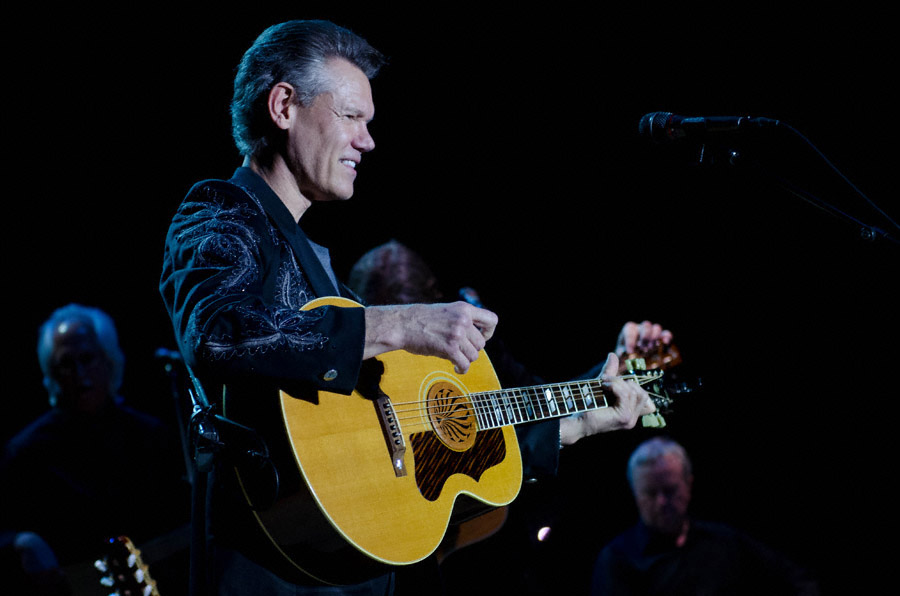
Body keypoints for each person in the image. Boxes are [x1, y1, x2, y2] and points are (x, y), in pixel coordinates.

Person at [159, 20, 657, 595]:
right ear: (284, 106)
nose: (368, 141)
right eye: (352, 117)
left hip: (345, 566)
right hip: (268, 571)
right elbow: (219, 333)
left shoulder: (317, 267)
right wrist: (406, 322)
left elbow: (422, 438)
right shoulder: (222, 212)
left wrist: (577, 421)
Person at [0, 304, 189, 595]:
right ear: (52, 373)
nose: (79, 372)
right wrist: (20, 541)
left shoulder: (150, 435)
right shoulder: (27, 452)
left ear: (108, 361)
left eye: (87, 358)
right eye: (67, 363)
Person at [590, 437, 819, 595]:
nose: (661, 502)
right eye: (650, 493)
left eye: (670, 490)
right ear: (635, 494)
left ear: (688, 485)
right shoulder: (617, 559)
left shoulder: (724, 541)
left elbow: (799, 582)